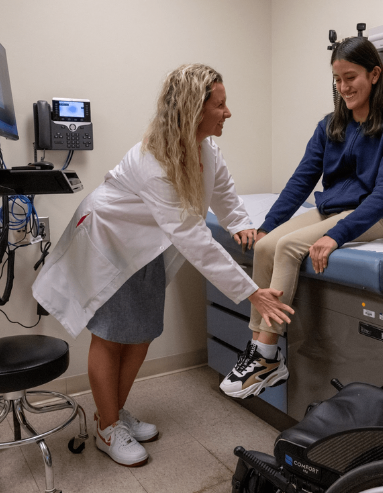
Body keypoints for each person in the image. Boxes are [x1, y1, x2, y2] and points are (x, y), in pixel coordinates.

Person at [32, 64, 293, 467]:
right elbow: (193, 238)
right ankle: (107, 429)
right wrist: (251, 292)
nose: (228, 112)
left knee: (141, 333)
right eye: (220, 105)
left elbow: (221, 189)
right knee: (111, 334)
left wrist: (241, 224)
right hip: (111, 243)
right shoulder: (155, 163)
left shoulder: (205, 147)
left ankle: (111, 414)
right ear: (194, 110)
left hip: (148, 247)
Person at [219, 37, 383, 399]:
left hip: (374, 216)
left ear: (375, 74)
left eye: (350, 77)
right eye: (337, 80)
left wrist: (337, 235)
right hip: (330, 208)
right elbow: (300, 182)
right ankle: (259, 350)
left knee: (291, 247)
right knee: (266, 246)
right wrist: (268, 225)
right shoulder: (330, 126)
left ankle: (266, 353)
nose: (343, 88)